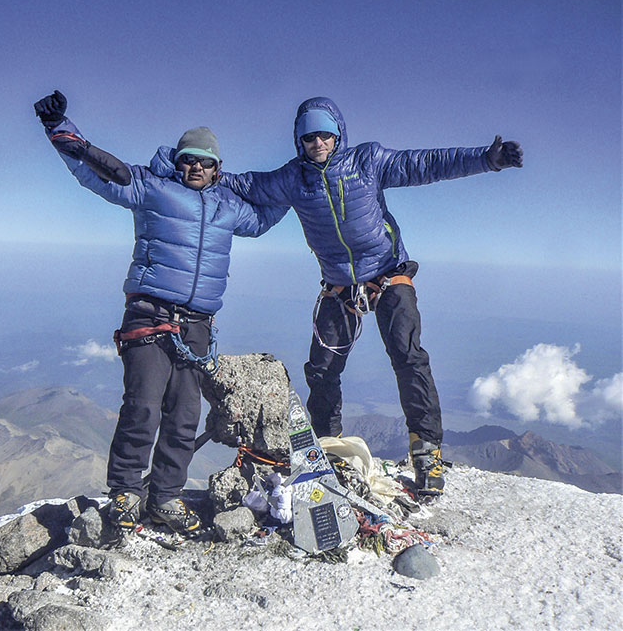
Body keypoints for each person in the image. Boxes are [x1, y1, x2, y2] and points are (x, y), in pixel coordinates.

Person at [220, 96, 523, 496]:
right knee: (323, 369)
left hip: (388, 274)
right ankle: (326, 449)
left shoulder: (367, 162)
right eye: (310, 137)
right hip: (339, 286)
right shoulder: (293, 178)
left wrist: (488, 159)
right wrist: (198, 169)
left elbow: (426, 165)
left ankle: (426, 451)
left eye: (326, 134)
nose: (318, 143)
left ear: (338, 134)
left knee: (407, 355)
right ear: (299, 140)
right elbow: (248, 185)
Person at [33, 90, 287, 534]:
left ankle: (165, 498)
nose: (195, 168)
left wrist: (296, 188)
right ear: (177, 160)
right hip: (151, 314)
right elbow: (98, 174)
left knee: (185, 415)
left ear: (217, 168)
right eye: (188, 159)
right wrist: (59, 129)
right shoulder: (153, 188)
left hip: (197, 327)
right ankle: (126, 494)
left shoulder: (230, 207)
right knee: (143, 407)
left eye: (205, 162)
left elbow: (263, 219)